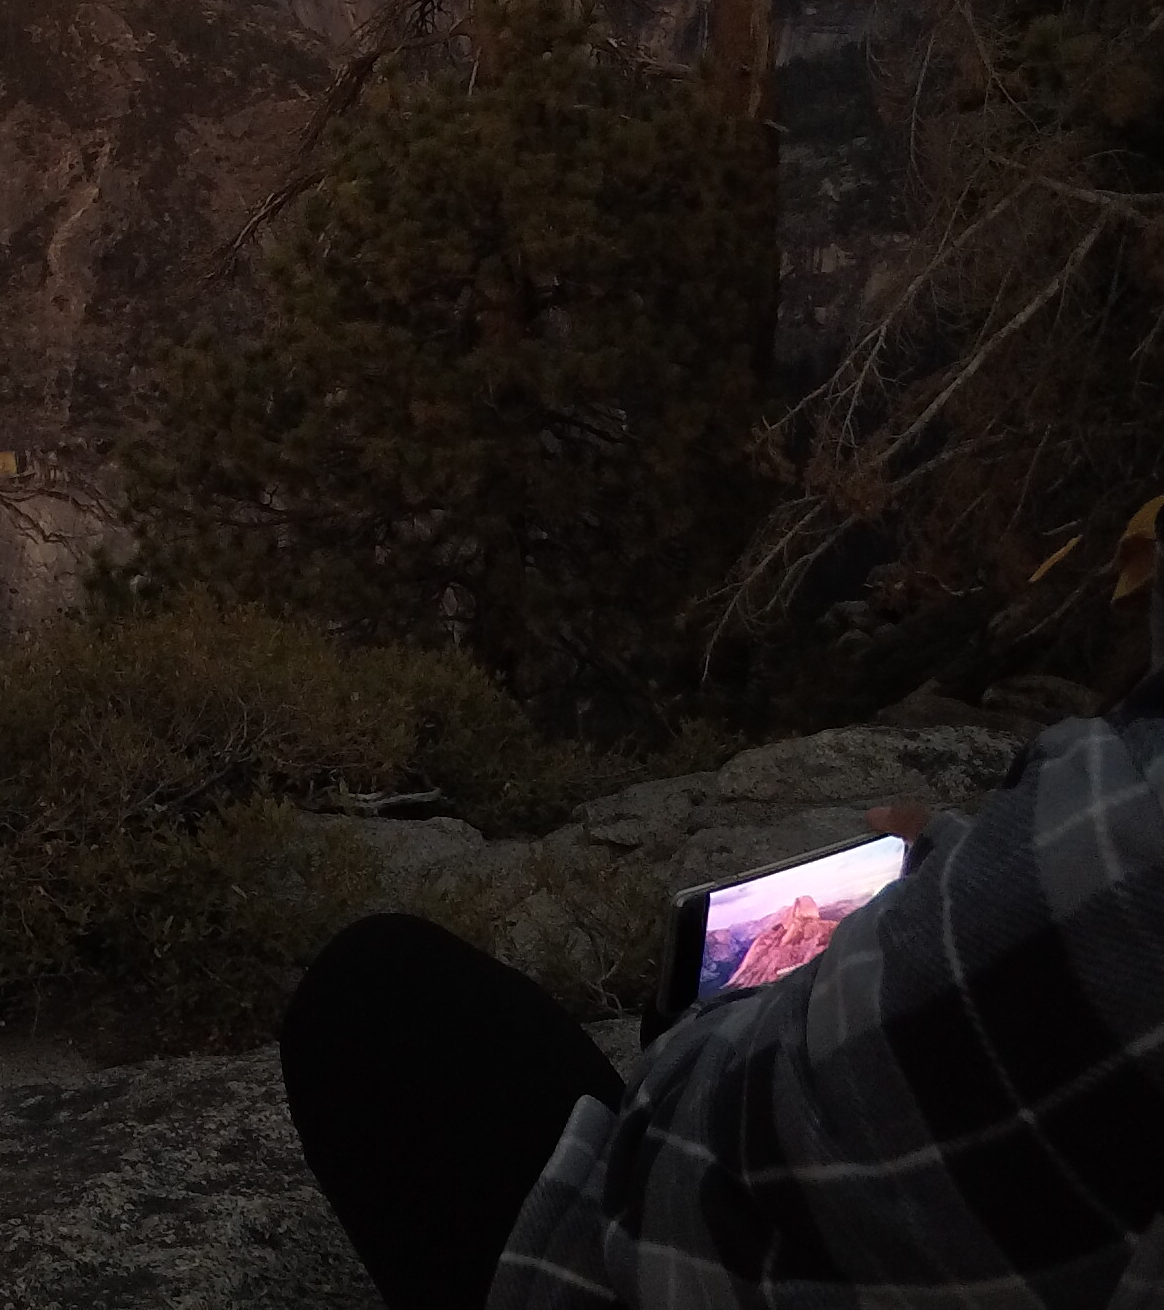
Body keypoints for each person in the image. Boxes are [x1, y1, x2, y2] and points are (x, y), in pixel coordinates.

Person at [282, 501, 1164, 1309]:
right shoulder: (1108, 824)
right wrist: (965, 877)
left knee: (375, 995)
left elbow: (712, 1153)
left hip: (687, 1241)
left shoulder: (1125, 839)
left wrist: (708, 1025)